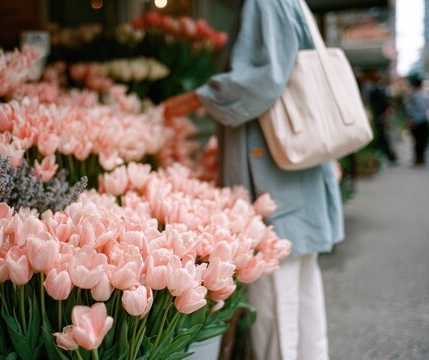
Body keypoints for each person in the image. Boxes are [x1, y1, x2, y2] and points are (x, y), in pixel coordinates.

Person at [163, 1, 344, 359]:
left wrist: (198, 98)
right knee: (301, 301)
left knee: (277, 304)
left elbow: (262, 79)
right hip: (291, 169)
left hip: (274, 174)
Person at [365, 69, 397, 163]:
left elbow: (385, 105)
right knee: (382, 137)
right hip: (379, 116)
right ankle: (389, 156)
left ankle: (389, 156)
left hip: (379, 117)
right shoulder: (378, 90)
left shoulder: (377, 90)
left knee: (382, 137)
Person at [404, 75, 429, 166]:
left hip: (416, 121)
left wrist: (410, 118)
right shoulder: (425, 95)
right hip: (423, 120)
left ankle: (418, 157)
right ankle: (421, 157)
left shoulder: (412, 95)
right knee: (423, 140)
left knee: (417, 140)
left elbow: (409, 109)